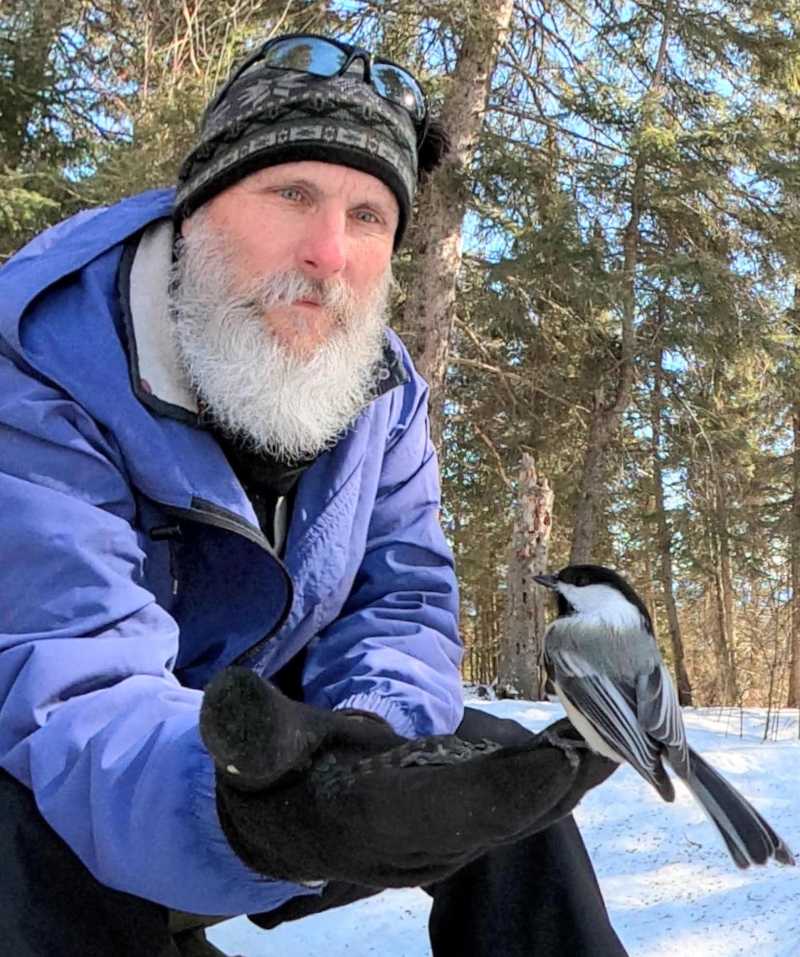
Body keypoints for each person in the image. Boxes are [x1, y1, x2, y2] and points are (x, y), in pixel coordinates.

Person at [0, 33, 628, 957]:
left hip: (265, 759)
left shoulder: (383, 390)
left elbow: (404, 600)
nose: (329, 253)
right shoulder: (44, 355)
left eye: (369, 215)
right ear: (201, 206)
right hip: (82, 767)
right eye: (292, 194)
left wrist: (372, 748)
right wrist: (262, 809)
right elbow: (63, 674)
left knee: (500, 784)